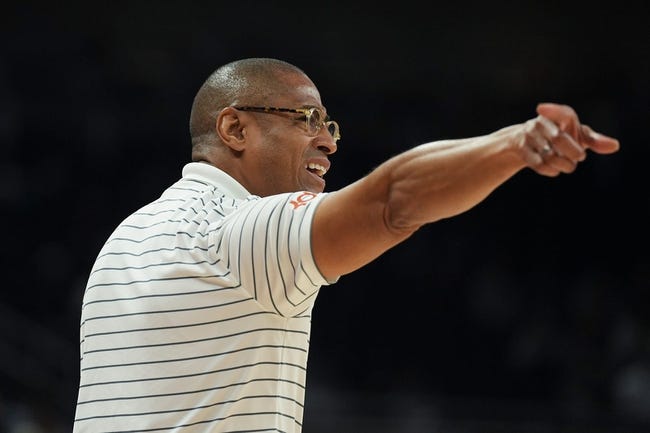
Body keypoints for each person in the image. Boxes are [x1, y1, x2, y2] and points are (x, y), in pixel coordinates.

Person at [72, 57, 620, 433]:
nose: (329, 140)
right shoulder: (236, 235)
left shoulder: (127, 238)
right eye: (306, 119)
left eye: (328, 122)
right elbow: (392, 202)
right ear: (235, 129)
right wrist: (515, 145)